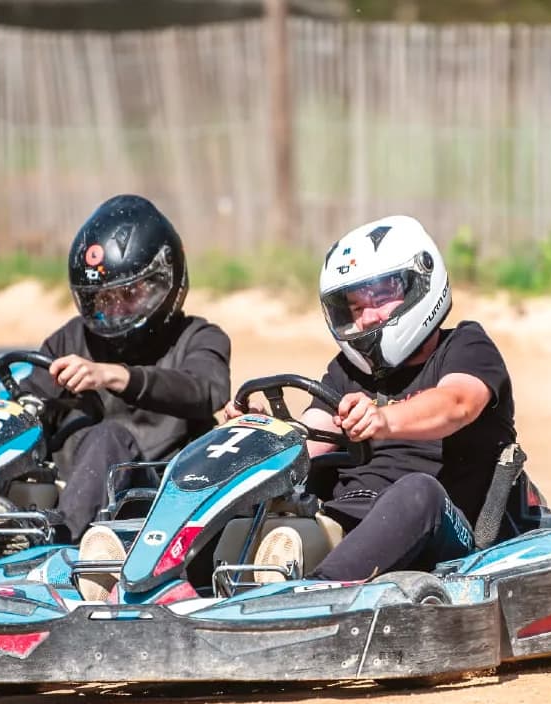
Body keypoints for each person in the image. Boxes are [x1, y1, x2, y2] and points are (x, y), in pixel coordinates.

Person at [222, 214, 527, 583]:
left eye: (380, 298)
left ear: (421, 284)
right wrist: (259, 435)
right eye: (354, 307)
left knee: (418, 492)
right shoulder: (348, 373)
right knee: (247, 490)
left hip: (446, 531)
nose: (366, 319)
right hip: (349, 519)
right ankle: (174, 582)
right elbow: (309, 436)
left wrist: (383, 419)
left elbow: (457, 403)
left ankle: (314, 594)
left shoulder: (464, 345)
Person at [23, 194, 233, 585]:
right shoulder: (68, 340)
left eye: (128, 296)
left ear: (164, 282)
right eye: (102, 300)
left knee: (107, 437)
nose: (114, 311)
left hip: (157, 503)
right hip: (72, 492)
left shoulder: (198, 338)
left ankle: (54, 556)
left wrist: (115, 376)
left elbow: (207, 390)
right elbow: (26, 401)